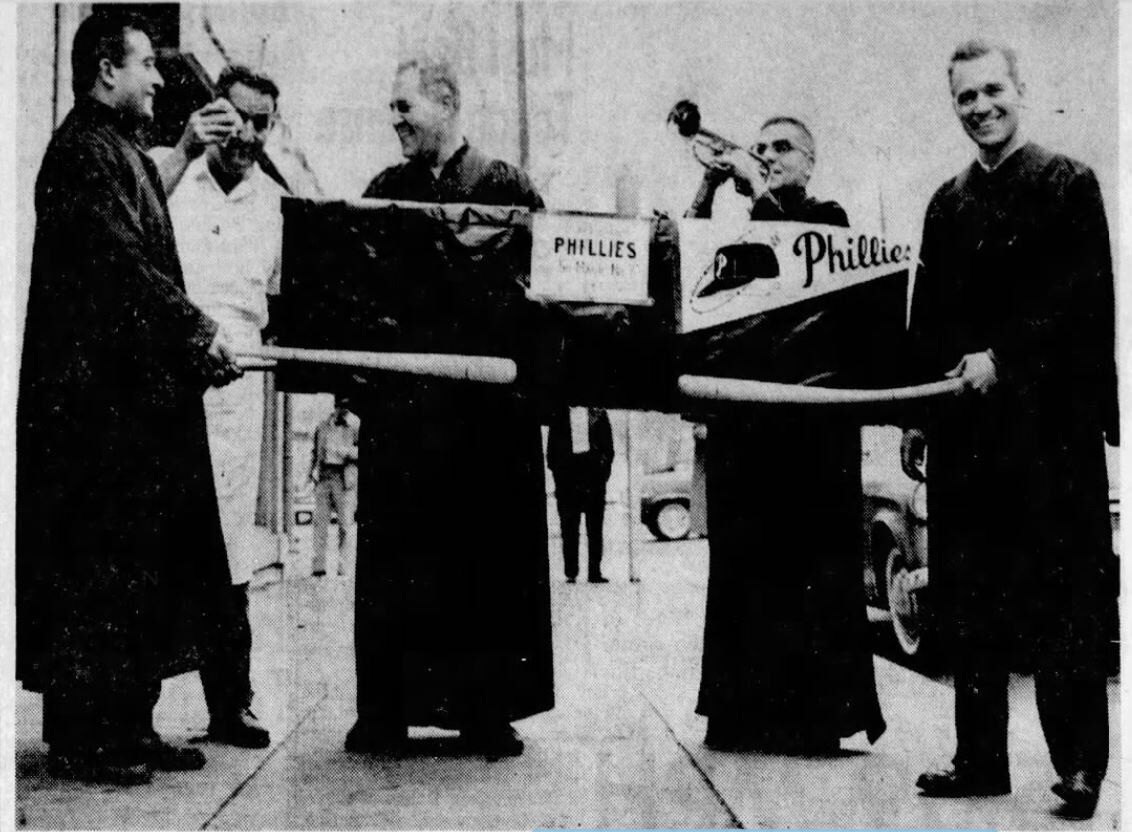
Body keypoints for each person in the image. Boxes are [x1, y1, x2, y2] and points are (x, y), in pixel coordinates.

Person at [16, 12, 242, 785]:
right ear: (106, 71)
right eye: (146, 64)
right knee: (96, 567)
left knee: (135, 565)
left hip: (126, 409)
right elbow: (116, 269)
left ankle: (130, 726)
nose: (157, 78)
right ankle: (85, 738)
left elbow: (146, 212)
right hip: (88, 415)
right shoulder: (81, 152)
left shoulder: (115, 151)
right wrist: (198, 331)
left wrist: (188, 343)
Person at [905, 40, 1117, 820]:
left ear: (1021, 89)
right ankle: (979, 760)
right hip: (967, 437)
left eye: (993, 90)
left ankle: (1081, 770)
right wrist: (921, 416)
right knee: (968, 599)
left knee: (1065, 602)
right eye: (965, 97)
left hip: (1051, 434)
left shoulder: (1068, 184)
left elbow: (1082, 303)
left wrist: (1004, 356)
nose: (981, 108)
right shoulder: (945, 202)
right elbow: (928, 327)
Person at [347, 57, 553, 758]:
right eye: (392, 108)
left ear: (446, 102)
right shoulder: (383, 191)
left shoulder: (508, 186)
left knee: (486, 563)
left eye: (405, 106)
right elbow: (355, 296)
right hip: (404, 420)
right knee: (396, 565)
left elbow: (543, 295)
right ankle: (386, 712)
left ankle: (486, 711)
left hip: (486, 422)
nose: (395, 119)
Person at [685, 116, 886, 753]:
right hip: (747, 428)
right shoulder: (747, 223)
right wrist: (710, 189)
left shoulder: (829, 218)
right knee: (746, 566)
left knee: (810, 566)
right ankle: (741, 712)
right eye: (761, 146)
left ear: (810, 162)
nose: (767, 155)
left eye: (782, 148)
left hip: (810, 435)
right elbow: (696, 279)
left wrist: (754, 187)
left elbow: (798, 262)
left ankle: (814, 718)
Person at [155, 64, 286, 750]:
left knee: (229, 551)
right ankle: (131, 715)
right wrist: (180, 151)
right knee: (153, 544)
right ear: (213, 114)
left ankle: (230, 704)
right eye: (236, 118)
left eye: (261, 122)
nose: (247, 134)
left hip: (238, 394)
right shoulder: (167, 174)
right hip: (163, 383)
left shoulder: (274, 205)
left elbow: (278, 300)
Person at [547, 407, 614, 584]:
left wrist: (602, 473)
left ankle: (595, 572)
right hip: (568, 478)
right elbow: (551, 453)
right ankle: (571, 572)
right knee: (569, 527)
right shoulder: (559, 415)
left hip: (593, 477)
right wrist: (560, 476)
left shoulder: (599, 413)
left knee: (595, 528)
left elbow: (609, 448)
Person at [309, 395, 360, 578]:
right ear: (335, 406)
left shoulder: (356, 426)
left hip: (344, 478)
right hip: (324, 477)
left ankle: (343, 567)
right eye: (340, 406)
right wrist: (311, 472)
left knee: (345, 525)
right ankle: (318, 567)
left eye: (346, 407)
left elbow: (364, 450)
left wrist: (347, 452)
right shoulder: (323, 425)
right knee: (320, 523)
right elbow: (315, 451)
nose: (342, 411)